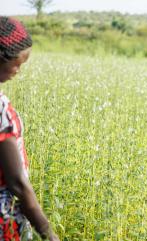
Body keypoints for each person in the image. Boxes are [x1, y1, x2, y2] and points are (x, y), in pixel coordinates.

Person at [0, 16, 59, 240]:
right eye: (17, 63)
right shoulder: (0, 110)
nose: (18, 70)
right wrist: (47, 232)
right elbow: (16, 183)